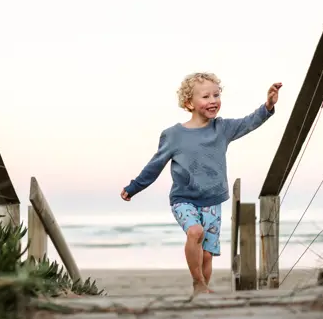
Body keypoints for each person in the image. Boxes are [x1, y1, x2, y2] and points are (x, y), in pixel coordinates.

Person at [120, 72, 282, 294]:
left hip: (213, 200)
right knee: (195, 232)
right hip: (183, 199)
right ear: (189, 103)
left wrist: (268, 105)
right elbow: (154, 166)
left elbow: (249, 122)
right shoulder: (173, 135)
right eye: (206, 96)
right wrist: (134, 187)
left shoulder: (222, 129)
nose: (213, 100)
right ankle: (197, 282)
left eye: (216, 95)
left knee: (206, 254)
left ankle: (202, 291)